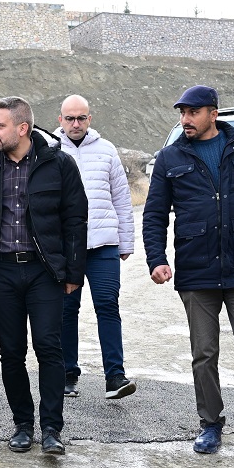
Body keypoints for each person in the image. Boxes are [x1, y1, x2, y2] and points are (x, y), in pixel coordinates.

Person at [142, 85, 234, 456]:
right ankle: (210, 424)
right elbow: (154, 214)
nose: (185, 119)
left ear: (213, 114)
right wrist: (156, 258)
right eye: (182, 113)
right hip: (196, 269)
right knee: (204, 353)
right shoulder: (170, 157)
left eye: (192, 112)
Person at [0, 97, 87, 456]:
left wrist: (73, 271)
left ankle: (51, 429)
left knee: (48, 347)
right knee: (12, 352)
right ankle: (22, 425)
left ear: (22, 128)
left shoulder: (59, 164)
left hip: (43, 271)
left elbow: (75, 219)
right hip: (0, 271)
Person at [55, 94, 136, 400]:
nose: (76, 124)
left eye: (81, 118)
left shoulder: (107, 150)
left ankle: (115, 376)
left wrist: (125, 241)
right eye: (70, 118)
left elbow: (122, 199)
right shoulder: (49, 151)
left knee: (108, 305)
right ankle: (67, 374)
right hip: (65, 248)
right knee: (66, 310)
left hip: (104, 246)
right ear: (60, 120)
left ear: (90, 119)